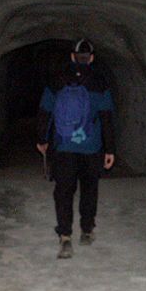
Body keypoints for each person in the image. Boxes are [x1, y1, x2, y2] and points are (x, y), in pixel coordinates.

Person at [36, 39, 116, 259]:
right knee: (89, 188)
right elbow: (106, 118)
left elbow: (45, 111)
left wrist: (42, 139)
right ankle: (87, 230)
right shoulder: (100, 82)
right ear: (91, 58)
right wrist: (110, 149)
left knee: (64, 190)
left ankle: (65, 236)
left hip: (64, 145)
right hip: (91, 147)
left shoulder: (56, 80)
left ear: (72, 56)